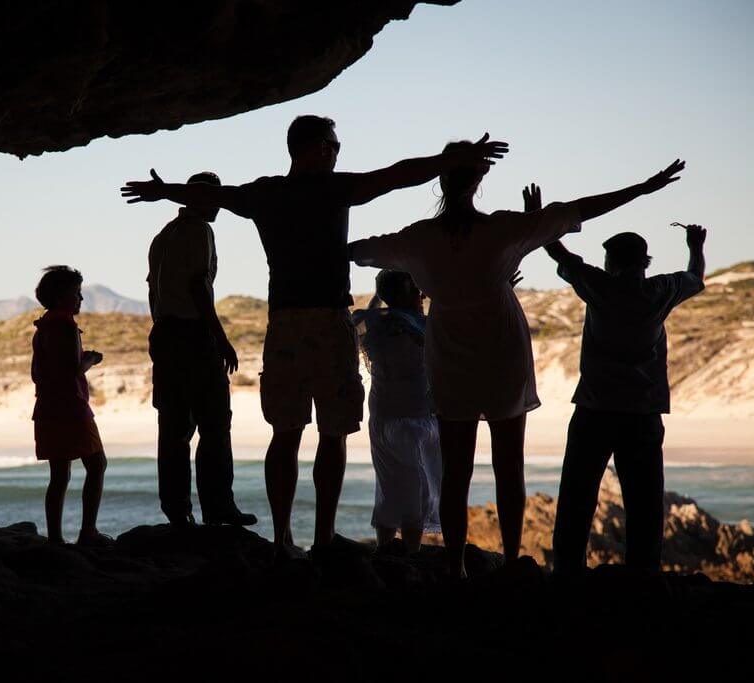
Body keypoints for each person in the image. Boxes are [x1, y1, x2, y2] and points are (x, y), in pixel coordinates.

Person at [122, 115, 507, 558]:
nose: (338, 151)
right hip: (327, 322)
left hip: (283, 324)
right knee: (333, 433)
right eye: (335, 144)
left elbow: (212, 196)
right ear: (318, 147)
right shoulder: (333, 188)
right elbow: (398, 175)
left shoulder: (266, 194)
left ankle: (283, 536)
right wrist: (453, 159)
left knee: (285, 433)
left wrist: (163, 191)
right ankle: (323, 537)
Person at [348, 150, 686, 579]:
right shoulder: (504, 230)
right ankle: (509, 561)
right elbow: (577, 210)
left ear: (440, 181)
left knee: (456, 471)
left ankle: (455, 568)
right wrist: (643, 188)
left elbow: (361, 252)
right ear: (477, 183)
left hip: (450, 357)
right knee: (509, 466)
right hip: (503, 355)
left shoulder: (419, 238)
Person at [543, 208, 707, 574]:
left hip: (594, 409)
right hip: (643, 412)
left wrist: (539, 217)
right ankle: (643, 579)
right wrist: (695, 246)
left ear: (611, 262)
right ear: (644, 262)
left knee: (576, 499)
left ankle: (567, 576)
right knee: (645, 504)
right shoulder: (661, 290)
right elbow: (695, 276)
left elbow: (558, 253)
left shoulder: (599, 286)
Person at [147, 171, 257, 528]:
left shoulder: (163, 236)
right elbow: (199, 287)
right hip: (192, 335)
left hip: (164, 334)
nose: (220, 206)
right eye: (215, 198)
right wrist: (220, 338)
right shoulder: (200, 231)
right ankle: (218, 508)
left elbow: (154, 290)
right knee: (213, 424)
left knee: (173, 428)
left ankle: (178, 512)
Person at [352, 270, 441, 553]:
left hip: (383, 414)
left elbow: (367, 312)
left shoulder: (371, 323)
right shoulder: (423, 326)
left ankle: (385, 552)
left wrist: (383, 293)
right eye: (416, 291)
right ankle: (411, 555)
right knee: (418, 488)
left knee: (389, 484)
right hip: (415, 416)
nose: (422, 295)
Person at [31, 266, 112, 546]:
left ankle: (55, 537)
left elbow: (39, 373)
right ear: (62, 295)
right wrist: (91, 360)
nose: (81, 299)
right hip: (72, 408)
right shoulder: (65, 325)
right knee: (97, 464)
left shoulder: (42, 328)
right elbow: (72, 370)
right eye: (76, 293)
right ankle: (87, 531)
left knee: (59, 474)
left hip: (47, 408)